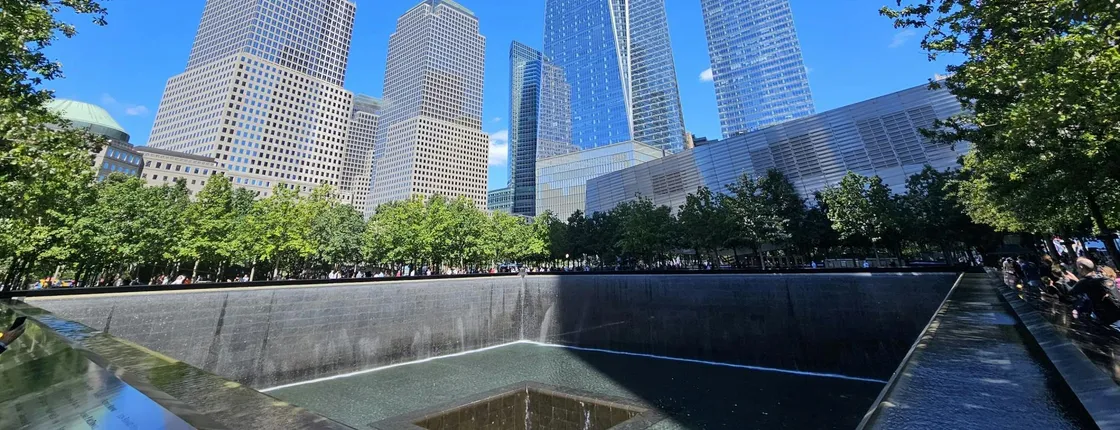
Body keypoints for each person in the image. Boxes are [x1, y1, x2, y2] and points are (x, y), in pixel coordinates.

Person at [1068, 258, 1120, 326]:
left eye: (1077, 266)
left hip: (1108, 317)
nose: (1077, 269)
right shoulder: (1102, 276)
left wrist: (1069, 279)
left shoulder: (1085, 281)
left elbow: (1070, 292)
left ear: (1081, 267)